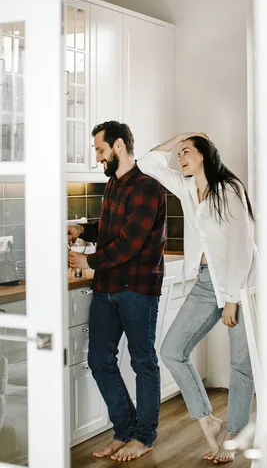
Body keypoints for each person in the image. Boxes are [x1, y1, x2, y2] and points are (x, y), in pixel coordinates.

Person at [137, 133, 260, 464]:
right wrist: (181, 135)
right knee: (172, 350)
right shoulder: (187, 187)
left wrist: (233, 297)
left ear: (204, 155)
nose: (180, 157)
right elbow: (147, 162)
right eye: (179, 154)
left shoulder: (229, 189)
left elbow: (241, 246)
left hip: (241, 282)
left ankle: (233, 434)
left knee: (240, 363)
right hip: (206, 282)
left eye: (187, 152)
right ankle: (208, 417)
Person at [68, 121, 166, 462]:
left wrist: (89, 259)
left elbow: (129, 244)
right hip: (107, 287)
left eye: (100, 149)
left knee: (143, 362)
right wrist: (83, 228)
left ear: (119, 146)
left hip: (137, 290)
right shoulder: (113, 186)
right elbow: (110, 229)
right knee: (99, 360)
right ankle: (123, 430)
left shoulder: (149, 188)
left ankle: (145, 437)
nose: (97, 157)